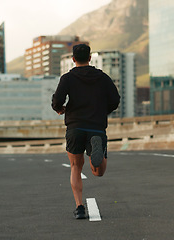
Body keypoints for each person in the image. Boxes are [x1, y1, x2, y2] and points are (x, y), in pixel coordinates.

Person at [51, 44, 120, 219]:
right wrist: (102, 111)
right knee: (98, 171)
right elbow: (115, 99)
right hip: (96, 126)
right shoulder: (102, 77)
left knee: (75, 166)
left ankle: (79, 207)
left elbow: (57, 99)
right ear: (90, 58)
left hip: (75, 127)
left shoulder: (67, 78)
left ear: (73, 59)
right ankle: (97, 157)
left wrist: (60, 109)